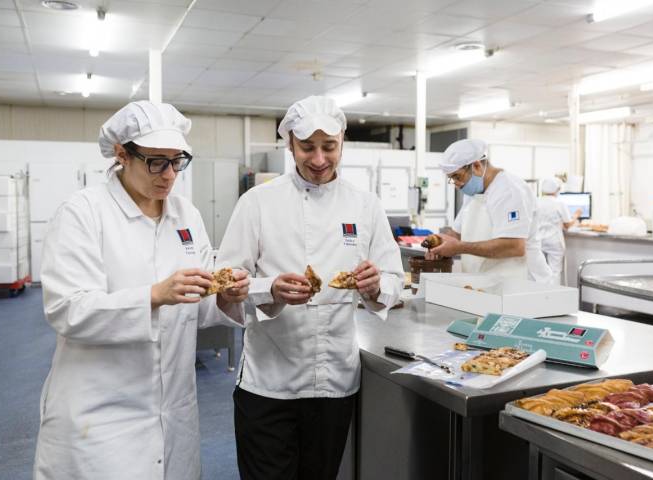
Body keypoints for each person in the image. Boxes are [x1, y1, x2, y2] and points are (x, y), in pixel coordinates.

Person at [33, 101, 249, 480]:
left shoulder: (186, 216)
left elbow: (195, 308)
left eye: (177, 161)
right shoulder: (83, 213)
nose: (168, 176)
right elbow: (68, 310)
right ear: (121, 154)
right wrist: (154, 295)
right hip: (101, 416)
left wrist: (222, 296)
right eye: (155, 162)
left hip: (174, 410)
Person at [216, 95, 404, 480]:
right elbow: (226, 279)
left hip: (334, 382)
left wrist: (373, 287)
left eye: (329, 147)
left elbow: (394, 280)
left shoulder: (365, 205)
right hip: (269, 383)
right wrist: (270, 289)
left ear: (342, 143)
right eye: (307, 147)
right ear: (289, 145)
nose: (319, 159)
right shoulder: (257, 203)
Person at [426, 139, 553, 283]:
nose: (456, 185)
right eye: (451, 179)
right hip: (487, 280)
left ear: (477, 166)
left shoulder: (510, 191)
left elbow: (514, 246)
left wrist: (459, 248)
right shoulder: (473, 193)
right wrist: (439, 243)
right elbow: (456, 234)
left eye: (457, 177)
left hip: (522, 283)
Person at [537, 177, 580, 285]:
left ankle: (541, 297)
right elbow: (567, 225)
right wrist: (576, 216)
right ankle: (554, 298)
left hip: (538, 241)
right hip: (554, 242)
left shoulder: (536, 202)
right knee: (555, 271)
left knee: (540, 272)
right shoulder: (559, 204)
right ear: (556, 190)